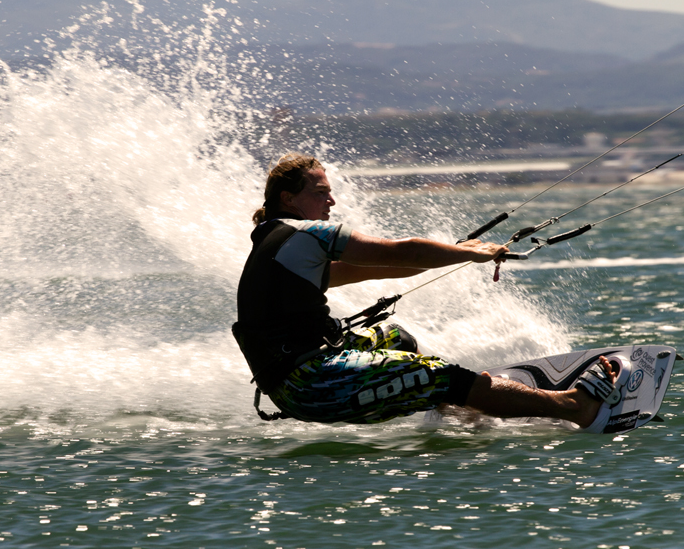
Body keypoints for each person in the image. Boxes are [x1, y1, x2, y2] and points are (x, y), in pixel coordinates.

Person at [232, 153, 620, 429]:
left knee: (395, 337)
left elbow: (387, 265)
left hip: (293, 381)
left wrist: (464, 256)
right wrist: (468, 251)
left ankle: (459, 406)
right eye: (320, 192)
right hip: (311, 384)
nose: (331, 200)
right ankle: (575, 407)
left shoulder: (275, 243)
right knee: (444, 374)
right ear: (288, 199)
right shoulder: (306, 234)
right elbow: (404, 250)